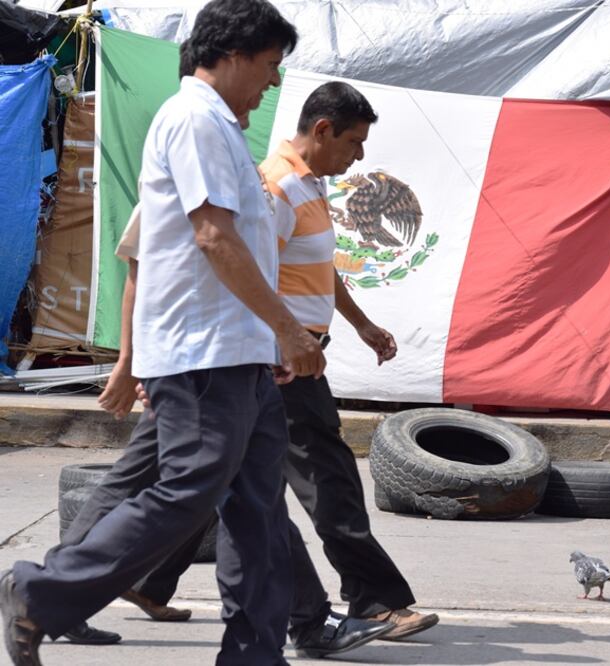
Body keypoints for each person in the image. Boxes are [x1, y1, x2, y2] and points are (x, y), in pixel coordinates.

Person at [0, 1, 322, 664]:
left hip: (240, 354)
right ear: (231, 54)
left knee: (258, 511)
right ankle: (41, 592)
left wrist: (268, 342)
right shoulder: (195, 118)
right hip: (202, 352)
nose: (270, 83)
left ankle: (253, 651)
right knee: (188, 490)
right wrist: (287, 330)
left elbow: (237, 245)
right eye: (267, 66)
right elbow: (212, 238)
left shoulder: (223, 129)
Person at [71, 81, 438, 652]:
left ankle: (102, 586)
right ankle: (354, 607)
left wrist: (354, 325)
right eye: (354, 143)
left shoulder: (273, 182)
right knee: (283, 487)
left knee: (226, 488)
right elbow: (158, 273)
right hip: (233, 361)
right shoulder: (247, 180)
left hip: (250, 358)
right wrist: (132, 362)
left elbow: (300, 270)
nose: (359, 156)